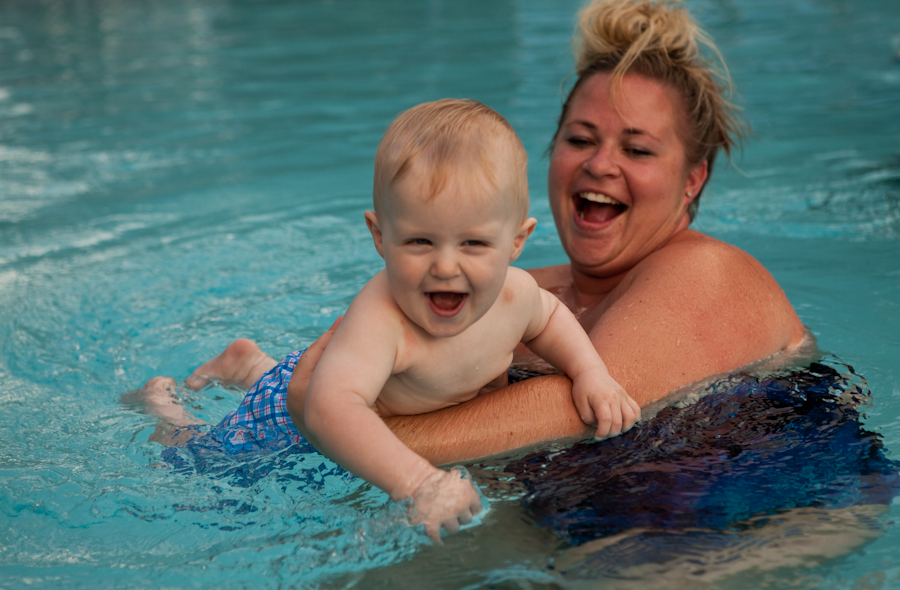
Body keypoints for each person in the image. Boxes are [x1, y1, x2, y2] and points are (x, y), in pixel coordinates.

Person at [142, 0, 805, 511]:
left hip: (759, 515)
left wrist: (334, 435)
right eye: (580, 138)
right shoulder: (513, 286)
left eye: (637, 149)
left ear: (694, 178)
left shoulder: (707, 272)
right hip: (597, 514)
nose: (601, 165)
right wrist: (315, 406)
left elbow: (577, 410)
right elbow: (341, 363)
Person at [142, 98, 640, 541]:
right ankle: (166, 410)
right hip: (286, 419)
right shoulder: (383, 317)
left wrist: (590, 372)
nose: (446, 266)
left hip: (327, 372)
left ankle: (250, 364)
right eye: (419, 241)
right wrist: (419, 483)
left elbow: (550, 318)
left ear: (517, 241)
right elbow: (329, 407)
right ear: (379, 236)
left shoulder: (517, 294)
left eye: (474, 243)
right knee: (200, 463)